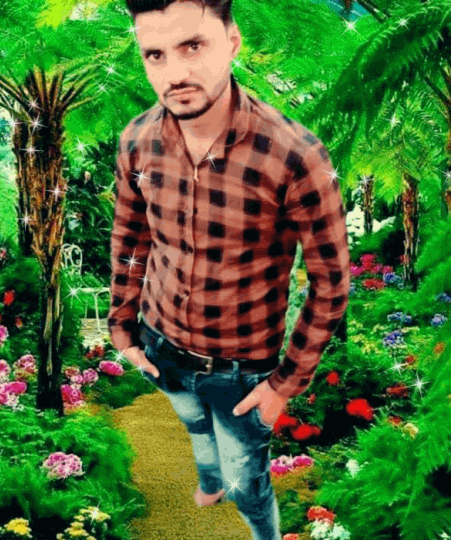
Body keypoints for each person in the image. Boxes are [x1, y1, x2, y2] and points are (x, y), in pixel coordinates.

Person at [107, 1, 351, 538]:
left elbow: (331, 284)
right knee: (193, 421)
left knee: (249, 484)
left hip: (241, 368)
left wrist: (284, 386)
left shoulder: (295, 155)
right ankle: (209, 478)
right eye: (155, 54)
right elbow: (131, 239)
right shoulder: (137, 140)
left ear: (232, 41)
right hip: (159, 341)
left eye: (192, 46)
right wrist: (123, 329)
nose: (174, 73)